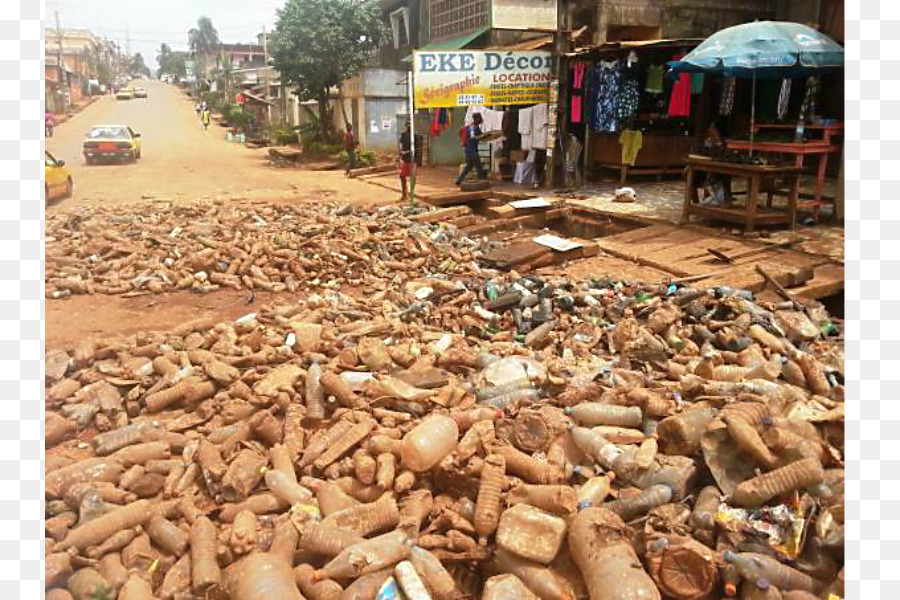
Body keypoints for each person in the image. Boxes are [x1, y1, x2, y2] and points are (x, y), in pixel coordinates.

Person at [455, 112, 486, 186]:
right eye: (479, 118)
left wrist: (482, 136)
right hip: (472, 150)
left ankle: (459, 180)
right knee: (478, 167)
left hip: (468, 150)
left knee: (469, 166)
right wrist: (482, 136)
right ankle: (481, 182)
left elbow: (460, 133)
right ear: (476, 119)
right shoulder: (473, 128)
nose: (481, 119)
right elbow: (473, 138)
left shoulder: (471, 127)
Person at [398, 122, 414, 201]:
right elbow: (400, 145)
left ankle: (409, 195)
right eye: (408, 125)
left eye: (410, 125)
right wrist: (401, 153)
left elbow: (416, 147)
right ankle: (405, 194)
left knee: (411, 177)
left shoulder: (414, 136)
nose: (409, 126)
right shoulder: (403, 135)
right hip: (405, 159)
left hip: (412, 159)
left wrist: (406, 152)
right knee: (402, 176)